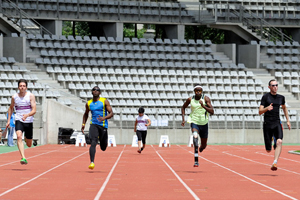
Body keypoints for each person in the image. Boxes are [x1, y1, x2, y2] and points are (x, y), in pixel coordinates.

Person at [259, 79, 291, 171]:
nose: (275, 87)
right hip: (267, 124)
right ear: (269, 87)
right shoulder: (265, 97)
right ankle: (272, 138)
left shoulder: (281, 97)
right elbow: (260, 112)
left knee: (280, 142)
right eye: (273, 85)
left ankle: (275, 163)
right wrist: (266, 108)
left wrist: (288, 120)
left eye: (276, 85)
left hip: (277, 123)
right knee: (268, 150)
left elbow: (284, 108)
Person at [181, 84, 214, 167]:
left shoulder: (206, 99)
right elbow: (183, 107)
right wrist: (183, 119)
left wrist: (203, 106)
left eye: (200, 91)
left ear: (202, 92)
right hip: (194, 121)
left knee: (204, 145)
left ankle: (201, 148)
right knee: (195, 137)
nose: (198, 92)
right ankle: (196, 161)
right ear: (194, 92)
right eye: (197, 91)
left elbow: (212, 111)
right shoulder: (190, 99)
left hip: (204, 123)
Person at [81, 86, 113, 170]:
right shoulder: (88, 103)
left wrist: (104, 118)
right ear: (92, 92)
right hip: (93, 124)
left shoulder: (104, 101)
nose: (95, 91)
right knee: (93, 143)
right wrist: (83, 124)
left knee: (103, 147)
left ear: (100, 92)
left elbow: (111, 113)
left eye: (97, 90)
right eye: (94, 90)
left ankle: (103, 143)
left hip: (103, 125)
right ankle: (92, 162)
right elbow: (86, 114)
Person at [6, 79, 37, 164]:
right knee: (19, 136)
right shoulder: (14, 97)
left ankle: (28, 138)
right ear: (18, 87)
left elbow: (34, 110)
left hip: (28, 121)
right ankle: (23, 157)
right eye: (20, 86)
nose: (22, 87)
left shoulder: (31, 96)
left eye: (23, 86)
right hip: (19, 119)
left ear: (26, 87)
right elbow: (11, 108)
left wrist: (27, 115)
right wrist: (8, 120)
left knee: (29, 144)